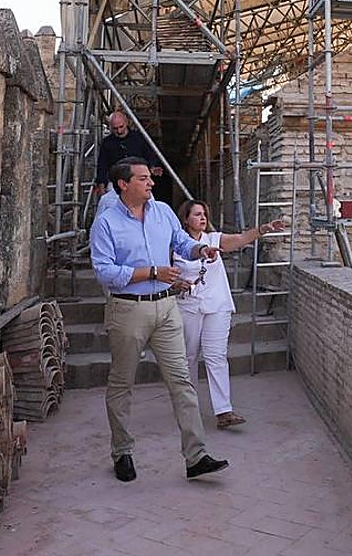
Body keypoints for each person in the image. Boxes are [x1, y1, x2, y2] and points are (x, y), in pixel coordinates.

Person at [89, 156, 229, 482]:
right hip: (128, 310)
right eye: (142, 179)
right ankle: (122, 452)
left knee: (181, 381)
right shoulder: (106, 222)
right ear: (123, 184)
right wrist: (152, 272)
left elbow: (181, 243)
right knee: (122, 384)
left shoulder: (164, 211)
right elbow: (105, 272)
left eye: (150, 178)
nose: (151, 183)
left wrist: (200, 251)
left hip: (167, 308)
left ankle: (196, 457)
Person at [173, 200, 287, 429]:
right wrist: (176, 283)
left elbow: (241, 239)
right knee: (189, 357)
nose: (202, 218)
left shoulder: (214, 239)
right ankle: (188, 408)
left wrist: (263, 229)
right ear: (186, 219)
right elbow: (167, 273)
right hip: (188, 305)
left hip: (217, 305)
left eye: (204, 214)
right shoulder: (175, 244)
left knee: (216, 356)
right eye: (197, 215)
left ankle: (224, 411)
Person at [94, 112, 163, 200]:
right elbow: (102, 165)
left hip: (138, 181)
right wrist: (101, 187)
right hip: (116, 184)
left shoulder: (139, 138)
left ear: (126, 123)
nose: (119, 131)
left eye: (121, 127)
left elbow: (150, 155)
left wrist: (152, 167)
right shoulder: (107, 143)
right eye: (115, 128)